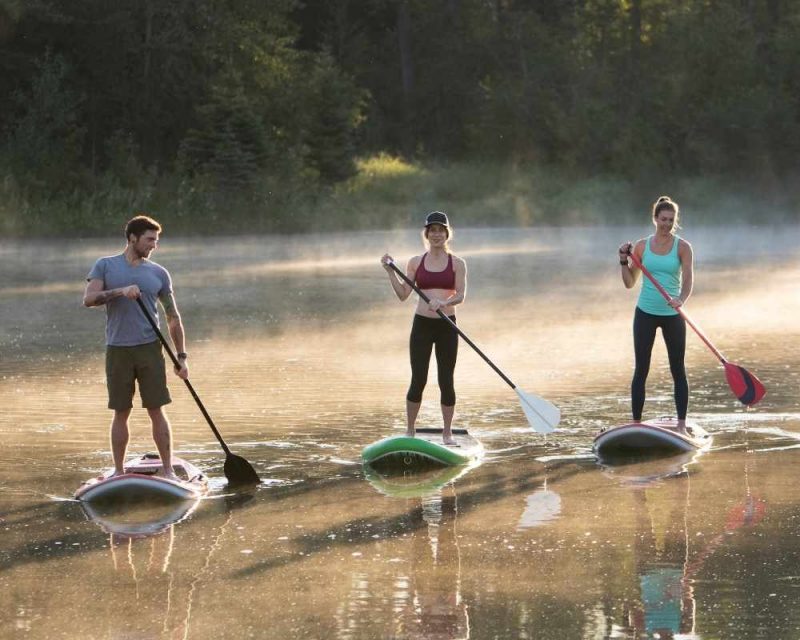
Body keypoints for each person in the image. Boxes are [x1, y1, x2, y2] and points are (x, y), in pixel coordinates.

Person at [83, 214, 189, 480]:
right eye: (150, 239)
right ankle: (118, 472)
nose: (154, 245)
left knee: (157, 409)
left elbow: (173, 317)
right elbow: (89, 299)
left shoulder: (158, 273)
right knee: (121, 411)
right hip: (118, 349)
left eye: (156, 240)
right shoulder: (105, 266)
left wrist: (181, 357)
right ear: (132, 238)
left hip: (150, 348)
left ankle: (168, 471)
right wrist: (120, 291)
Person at [381, 211, 467, 445]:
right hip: (422, 326)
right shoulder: (415, 263)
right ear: (427, 234)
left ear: (447, 234)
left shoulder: (458, 263)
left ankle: (447, 434)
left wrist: (444, 302)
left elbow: (460, 295)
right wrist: (390, 272)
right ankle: (410, 431)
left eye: (441, 230)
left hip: (447, 326)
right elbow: (402, 295)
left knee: (445, 379)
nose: (437, 234)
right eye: (433, 230)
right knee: (418, 378)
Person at [618, 196, 694, 432]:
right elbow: (630, 283)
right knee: (641, 368)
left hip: (673, 314)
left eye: (671, 220)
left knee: (677, 369)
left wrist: (680, 299)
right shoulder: (641, 246)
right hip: (645, 313)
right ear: (655, 219)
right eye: (663, 219)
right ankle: (636, 423)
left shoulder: (683, 247)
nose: (667, 224)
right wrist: (623, 261)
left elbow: (689, 279)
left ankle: (681, 424)